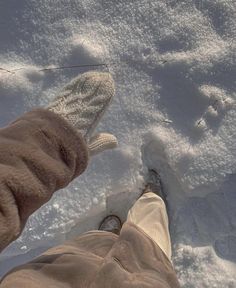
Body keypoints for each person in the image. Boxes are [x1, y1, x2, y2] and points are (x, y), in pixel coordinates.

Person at [0, 71, 180, 287]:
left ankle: (103, 240)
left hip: (55, 276)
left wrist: (41, 151)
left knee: (83, 251)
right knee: (149, 244)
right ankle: (150, 203)